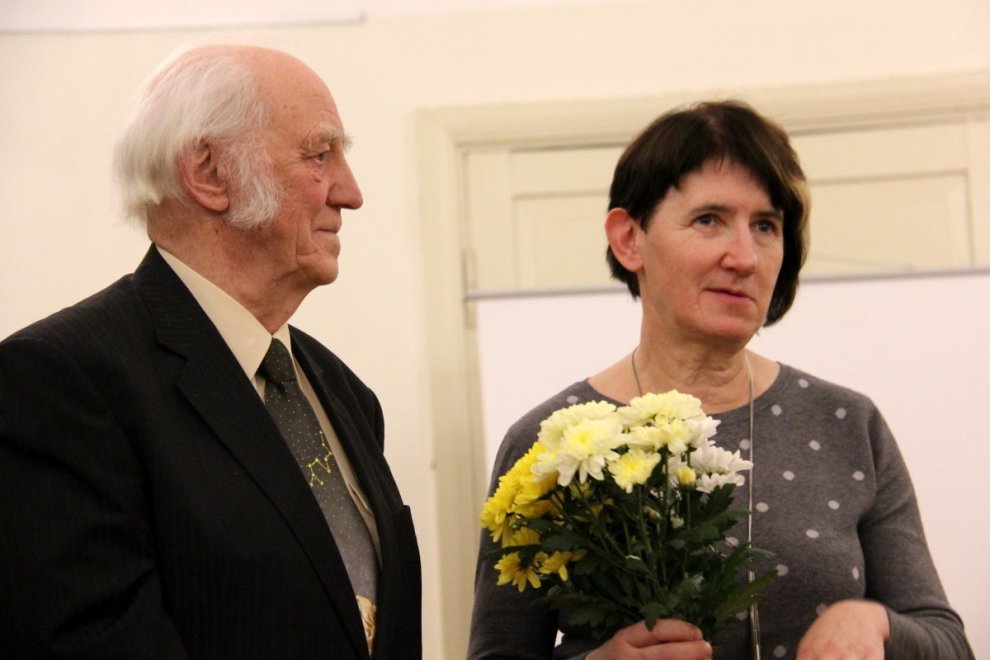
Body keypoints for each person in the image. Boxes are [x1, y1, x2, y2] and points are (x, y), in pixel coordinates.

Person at [467, 101, 973, 659]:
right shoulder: (547, 446)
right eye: (709, 220)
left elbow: (948, 643)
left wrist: (874, 623)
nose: (745, 257)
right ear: (628, 239)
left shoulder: (847, 424)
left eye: (766, 226)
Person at [0, 43, 421, 659]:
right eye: (319, 155)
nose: (351, 193)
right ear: (209, 174)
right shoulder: (62, 381)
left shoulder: (345, 393)